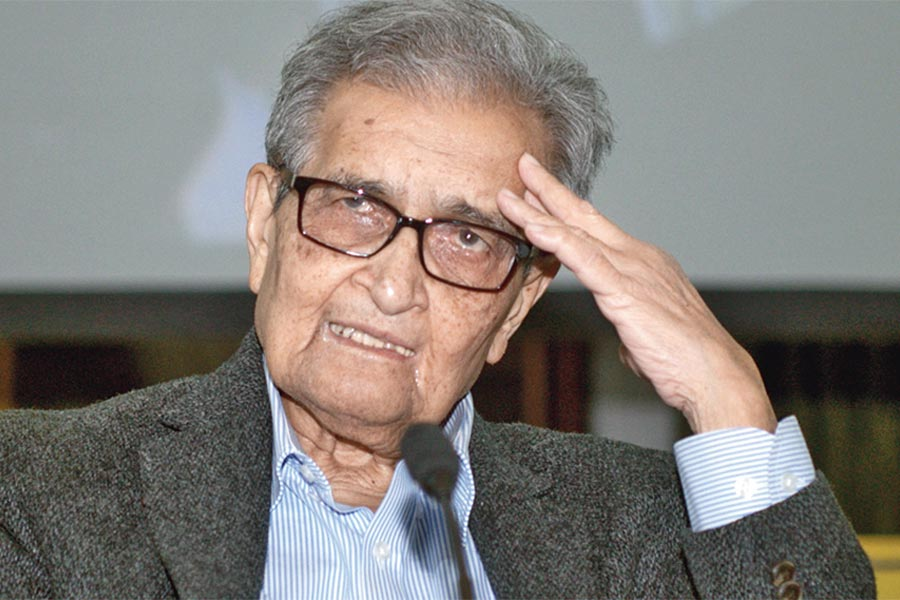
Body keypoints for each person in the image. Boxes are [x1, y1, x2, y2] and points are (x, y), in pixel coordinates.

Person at [0, 1, 874, 598]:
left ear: (517, 306)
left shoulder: (641, 534)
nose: (392, 284)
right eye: (354, 205)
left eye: (465, 238)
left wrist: (728, 395)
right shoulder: (43, 492)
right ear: (265, 226)